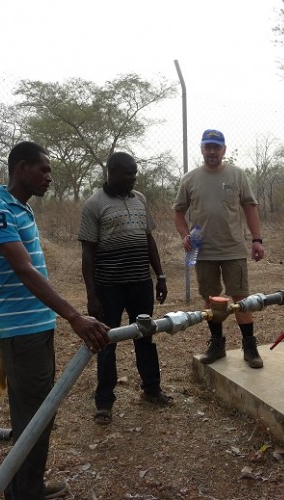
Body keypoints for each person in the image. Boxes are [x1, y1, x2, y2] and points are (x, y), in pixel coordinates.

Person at [0, 141, 111, 499]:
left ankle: (25, 487)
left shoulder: (20, 209)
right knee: (35, 415)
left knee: (37, 413)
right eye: (44, 169)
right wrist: (73, 316)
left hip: (36, 326)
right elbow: (24, 271)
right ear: (21, 168)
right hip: (22, 332)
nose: (49, 177)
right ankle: (26, 491)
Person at [78, 152, 172, 426]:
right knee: (106, 343)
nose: (133, 178)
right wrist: (92, 295)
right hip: (109, 286)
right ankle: (104, 403)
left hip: (140, 282)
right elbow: (88, 255)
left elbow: (148, 239)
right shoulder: (94, 205)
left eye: (135, 174)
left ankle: (152, 390)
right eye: (128, 174)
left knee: (145, 335)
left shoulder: (140, 199)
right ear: (112, 172)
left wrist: (160, 275)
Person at [173, 129, 265, 368]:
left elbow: (250, 207)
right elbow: (178, 211)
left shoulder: (237, 175)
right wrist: (185, 235)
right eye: (208, 147)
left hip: (233, 248)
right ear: (201, 149)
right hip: (203, 251)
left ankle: (250, 346)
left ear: (224, 149)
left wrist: (257, 239)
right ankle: (217, 344)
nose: (212, 152)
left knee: (241, 298)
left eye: (216, 147)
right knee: (210, 299)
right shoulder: (190, 179)